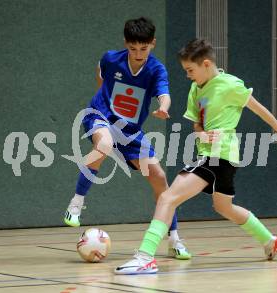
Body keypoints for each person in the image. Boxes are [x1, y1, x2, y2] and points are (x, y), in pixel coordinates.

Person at [115, 38, 277, 275]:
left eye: (190, 70)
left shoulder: (230, 85)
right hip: (217, 156)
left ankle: (145, 257)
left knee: (167, 198)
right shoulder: (195, 89)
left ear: (206, 64)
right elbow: (197, 125)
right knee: (224, 207)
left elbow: (258, 108)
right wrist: (202, 134)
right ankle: (271, 241)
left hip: (218, 156)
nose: (188, 75)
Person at [64, 17, 191, 260]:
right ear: (126, 44)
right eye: (133, 48)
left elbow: (164, 94)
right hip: (101, 116)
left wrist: (163, 107)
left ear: (152, 43)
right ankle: (76, 203)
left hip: (130, 131)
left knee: (160, 178)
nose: (138, 53)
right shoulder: (111, 58)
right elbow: (101, 76)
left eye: (144, 48)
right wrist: (103, 101)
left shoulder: (156, 70)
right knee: (103, 144)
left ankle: (174, 239)